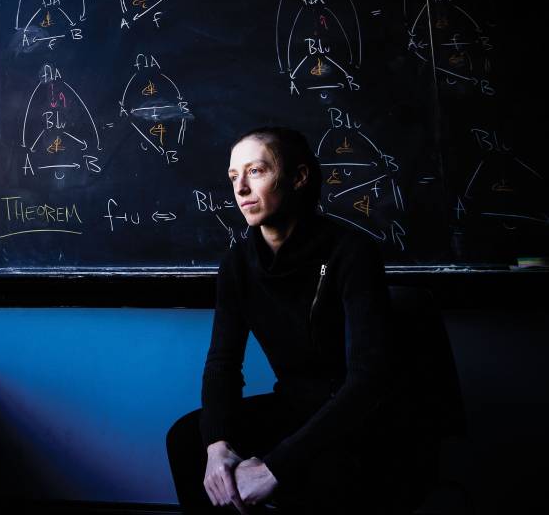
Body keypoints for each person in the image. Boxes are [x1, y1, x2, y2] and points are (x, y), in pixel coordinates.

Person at [166, 127, 413, 514]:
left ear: (298, 177)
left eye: (256, 171)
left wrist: (274, 467)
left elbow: (369, 380)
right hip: (294, 405)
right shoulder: (238, 264)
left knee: (325, 472)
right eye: (234, 177)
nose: (241, 189)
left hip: (357, 417)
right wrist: (218, 445)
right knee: (186, 439)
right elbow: (222, 365)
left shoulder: (352, 252)